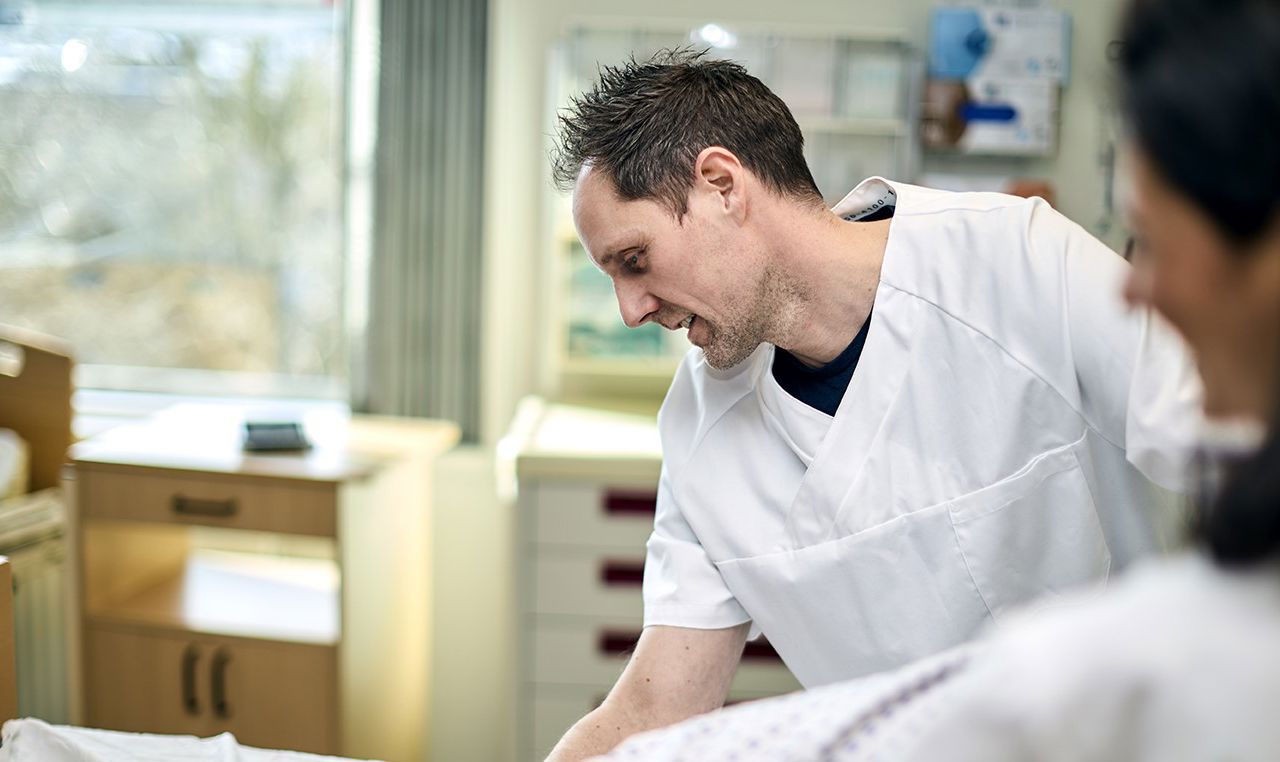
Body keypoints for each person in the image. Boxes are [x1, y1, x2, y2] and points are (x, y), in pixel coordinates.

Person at [587, 0, 1280, 758]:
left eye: (635, 260)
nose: (630, 309)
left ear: (722, 185)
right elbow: (656, 708)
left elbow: (1243, 453)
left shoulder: (1017, 261)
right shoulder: (699, 423)